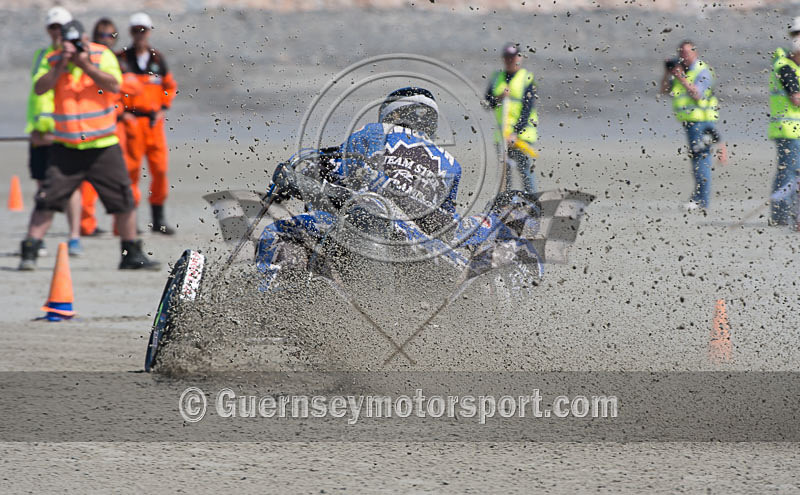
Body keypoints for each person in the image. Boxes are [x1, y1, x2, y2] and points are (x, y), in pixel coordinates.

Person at [257, 87, 462, 287]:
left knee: (275, 232)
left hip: (368, 221)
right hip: (421, 245)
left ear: (392, 113)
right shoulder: (453, 165)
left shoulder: (373, 131)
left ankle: (272, 303)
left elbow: (340, 175)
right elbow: (444, 224)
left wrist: (292, 180)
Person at [18, 19, 159, 271]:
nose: (73, 46)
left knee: (123, 200)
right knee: (46, 200)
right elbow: (39, 88)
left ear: (85, 39)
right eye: (68, 42)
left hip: (102, 145)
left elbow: (114, 85)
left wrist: (85, 64)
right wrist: (62, 64)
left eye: (77, 42)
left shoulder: (101, 54)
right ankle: (30, 250)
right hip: (66, 147)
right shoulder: (53, 59)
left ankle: (131, 253)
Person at [25, 6, 83, 256]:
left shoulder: (80, 54)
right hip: (41, 132)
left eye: (62, 27)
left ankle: (74, 236)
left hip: (66, 132)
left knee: (70, 187)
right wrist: (36, 128)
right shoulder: (43, 55)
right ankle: (40, 239)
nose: (57, 32)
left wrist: (70, 55)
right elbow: (38, 89)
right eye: (53, 27)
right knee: (43, 188)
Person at [117, 12, 178, 235]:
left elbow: (170, 86)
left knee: (160, 170)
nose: (140, 34)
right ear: (131, 32)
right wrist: (122, 113)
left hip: (154, 123)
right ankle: (130, 219)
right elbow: (111, 91)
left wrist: (163, 107)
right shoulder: (121, 59)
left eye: (144, 30)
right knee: (131, 171)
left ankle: (158, 219)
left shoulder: (158, 59)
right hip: (131, 124)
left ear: (149, 32)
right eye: (136, 30)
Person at [660, 40, 728, 211]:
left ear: (695, 53)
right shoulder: (681, 71)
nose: (683, 56)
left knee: (701, 159)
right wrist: (668, 73)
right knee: (697, 159)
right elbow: (663, 90)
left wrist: (680, 76)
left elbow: (697, 94)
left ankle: (701, 200)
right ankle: (698, 197)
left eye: (687, 53)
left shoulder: (702, 71)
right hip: (689, 122)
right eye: (681, 53)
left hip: (702, 120)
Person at [79, 17, 125, 237]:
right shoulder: (90, 59)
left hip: (121, 127)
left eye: (111, 35)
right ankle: (87, 224)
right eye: (102, 35)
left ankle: (122, 227)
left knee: (125, 180)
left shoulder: (119, 60)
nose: (107, 40)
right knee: (88, 182)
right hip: (96, 128)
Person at [484, 43, 538, 194]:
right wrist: (499, 97)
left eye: (513, 57)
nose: (510, 60)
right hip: (502, 136)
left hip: (522, 136)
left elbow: (527, 109)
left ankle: (531, 204)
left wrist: (515, 133)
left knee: (525, 171)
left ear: (519, 58)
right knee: (504, 175)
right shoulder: (497, 78)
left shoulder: (526, 78)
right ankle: (505, 205)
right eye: (507, 57)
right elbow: (487, 102)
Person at [767, 18, 800, 226]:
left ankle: (793, 215)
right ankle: (780, 216)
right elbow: (795, 97)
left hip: (794, 130)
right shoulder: (785, 66)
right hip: (788, 130)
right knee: (789, 175)